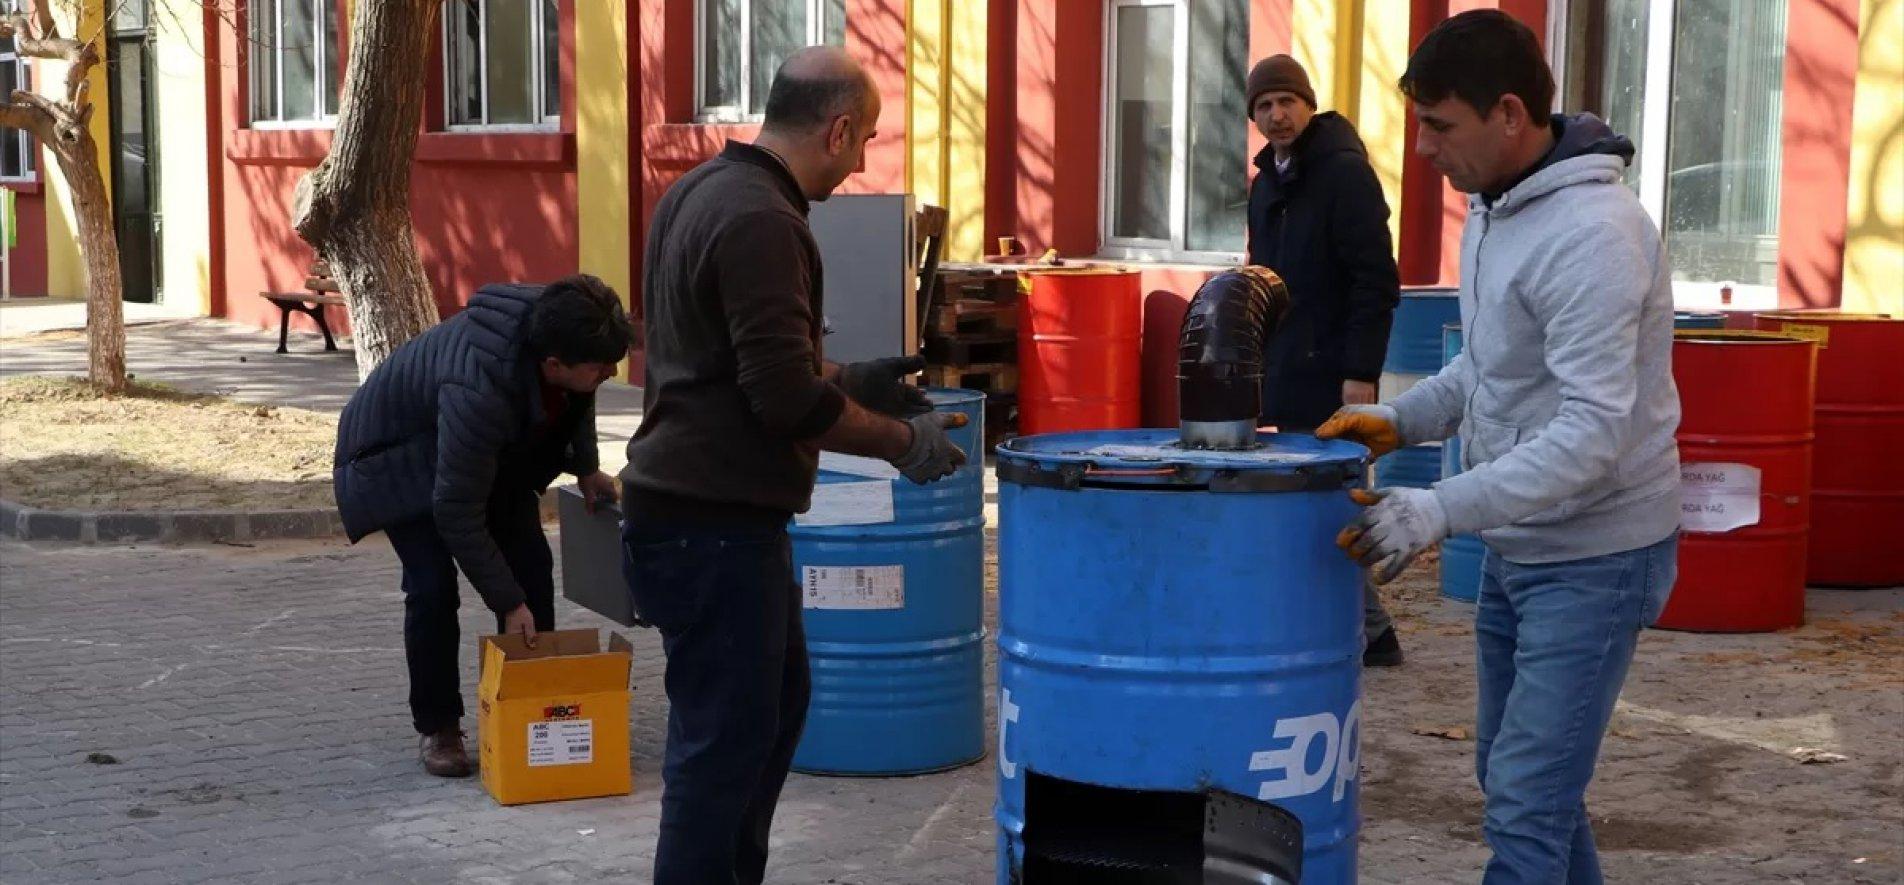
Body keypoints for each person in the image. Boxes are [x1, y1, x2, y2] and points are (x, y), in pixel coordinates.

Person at [1319, 10, 1681, 882]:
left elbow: (1592, 432)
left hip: (1597, 552)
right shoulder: (1496, 208)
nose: (1423, 150)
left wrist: (1439, 508)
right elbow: (1490, 367)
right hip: (1523, 541)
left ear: (1510, 115)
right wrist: (1403, 420)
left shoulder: (1594, 235)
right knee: (1524, 784)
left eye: (1440, 126)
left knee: (1526, 797)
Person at [619, 46, 967, 885]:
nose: (858, 164)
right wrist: (900, 442)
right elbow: (779, 399)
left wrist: (860, 379)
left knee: (769, 717)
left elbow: (735, 363)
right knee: (721, 751)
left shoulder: (698, 192)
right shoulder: (765, 220)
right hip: (712, 528)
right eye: (865, 140)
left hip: (707, 519)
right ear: (838, 128)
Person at [332, 275, 636, 778]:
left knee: (533, 568)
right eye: (601, 366)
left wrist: (585, 465)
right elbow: (455, 509)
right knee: (432, 588)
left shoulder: (566, 324)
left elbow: (580, 396)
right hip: (395, 460)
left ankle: (529, 706)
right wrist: (505, 601)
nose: (611, 371)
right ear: (553, 364)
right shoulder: (479, 388)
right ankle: (439, 725)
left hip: (475, 454)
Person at [1244, 54, 1405, 667]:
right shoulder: (1266, 185)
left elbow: (1375, 281)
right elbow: (1263, 278)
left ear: (1309, 105)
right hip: (1286, 365)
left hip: (1337, 372)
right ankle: (1366, 630)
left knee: (1333, 499)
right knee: (1312, 501)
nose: (1277, 115)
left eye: (1287, 101)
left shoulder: (1344, 175)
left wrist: (1361, 372)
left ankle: (1373, 631)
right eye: (1264, 106)